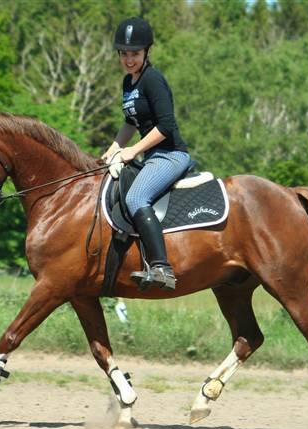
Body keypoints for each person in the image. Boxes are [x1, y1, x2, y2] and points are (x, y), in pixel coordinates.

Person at [102, 17, 193, 291]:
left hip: (170, 154)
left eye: (135, 54)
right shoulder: (128, 82)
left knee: (136, 196)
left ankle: (161, 267)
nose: (129, 60)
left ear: (146, 53)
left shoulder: (153, 80)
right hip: (150, 157)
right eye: (125, 54)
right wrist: (113, 149)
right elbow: (131, 122)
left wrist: (132, 151)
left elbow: (165, 126)